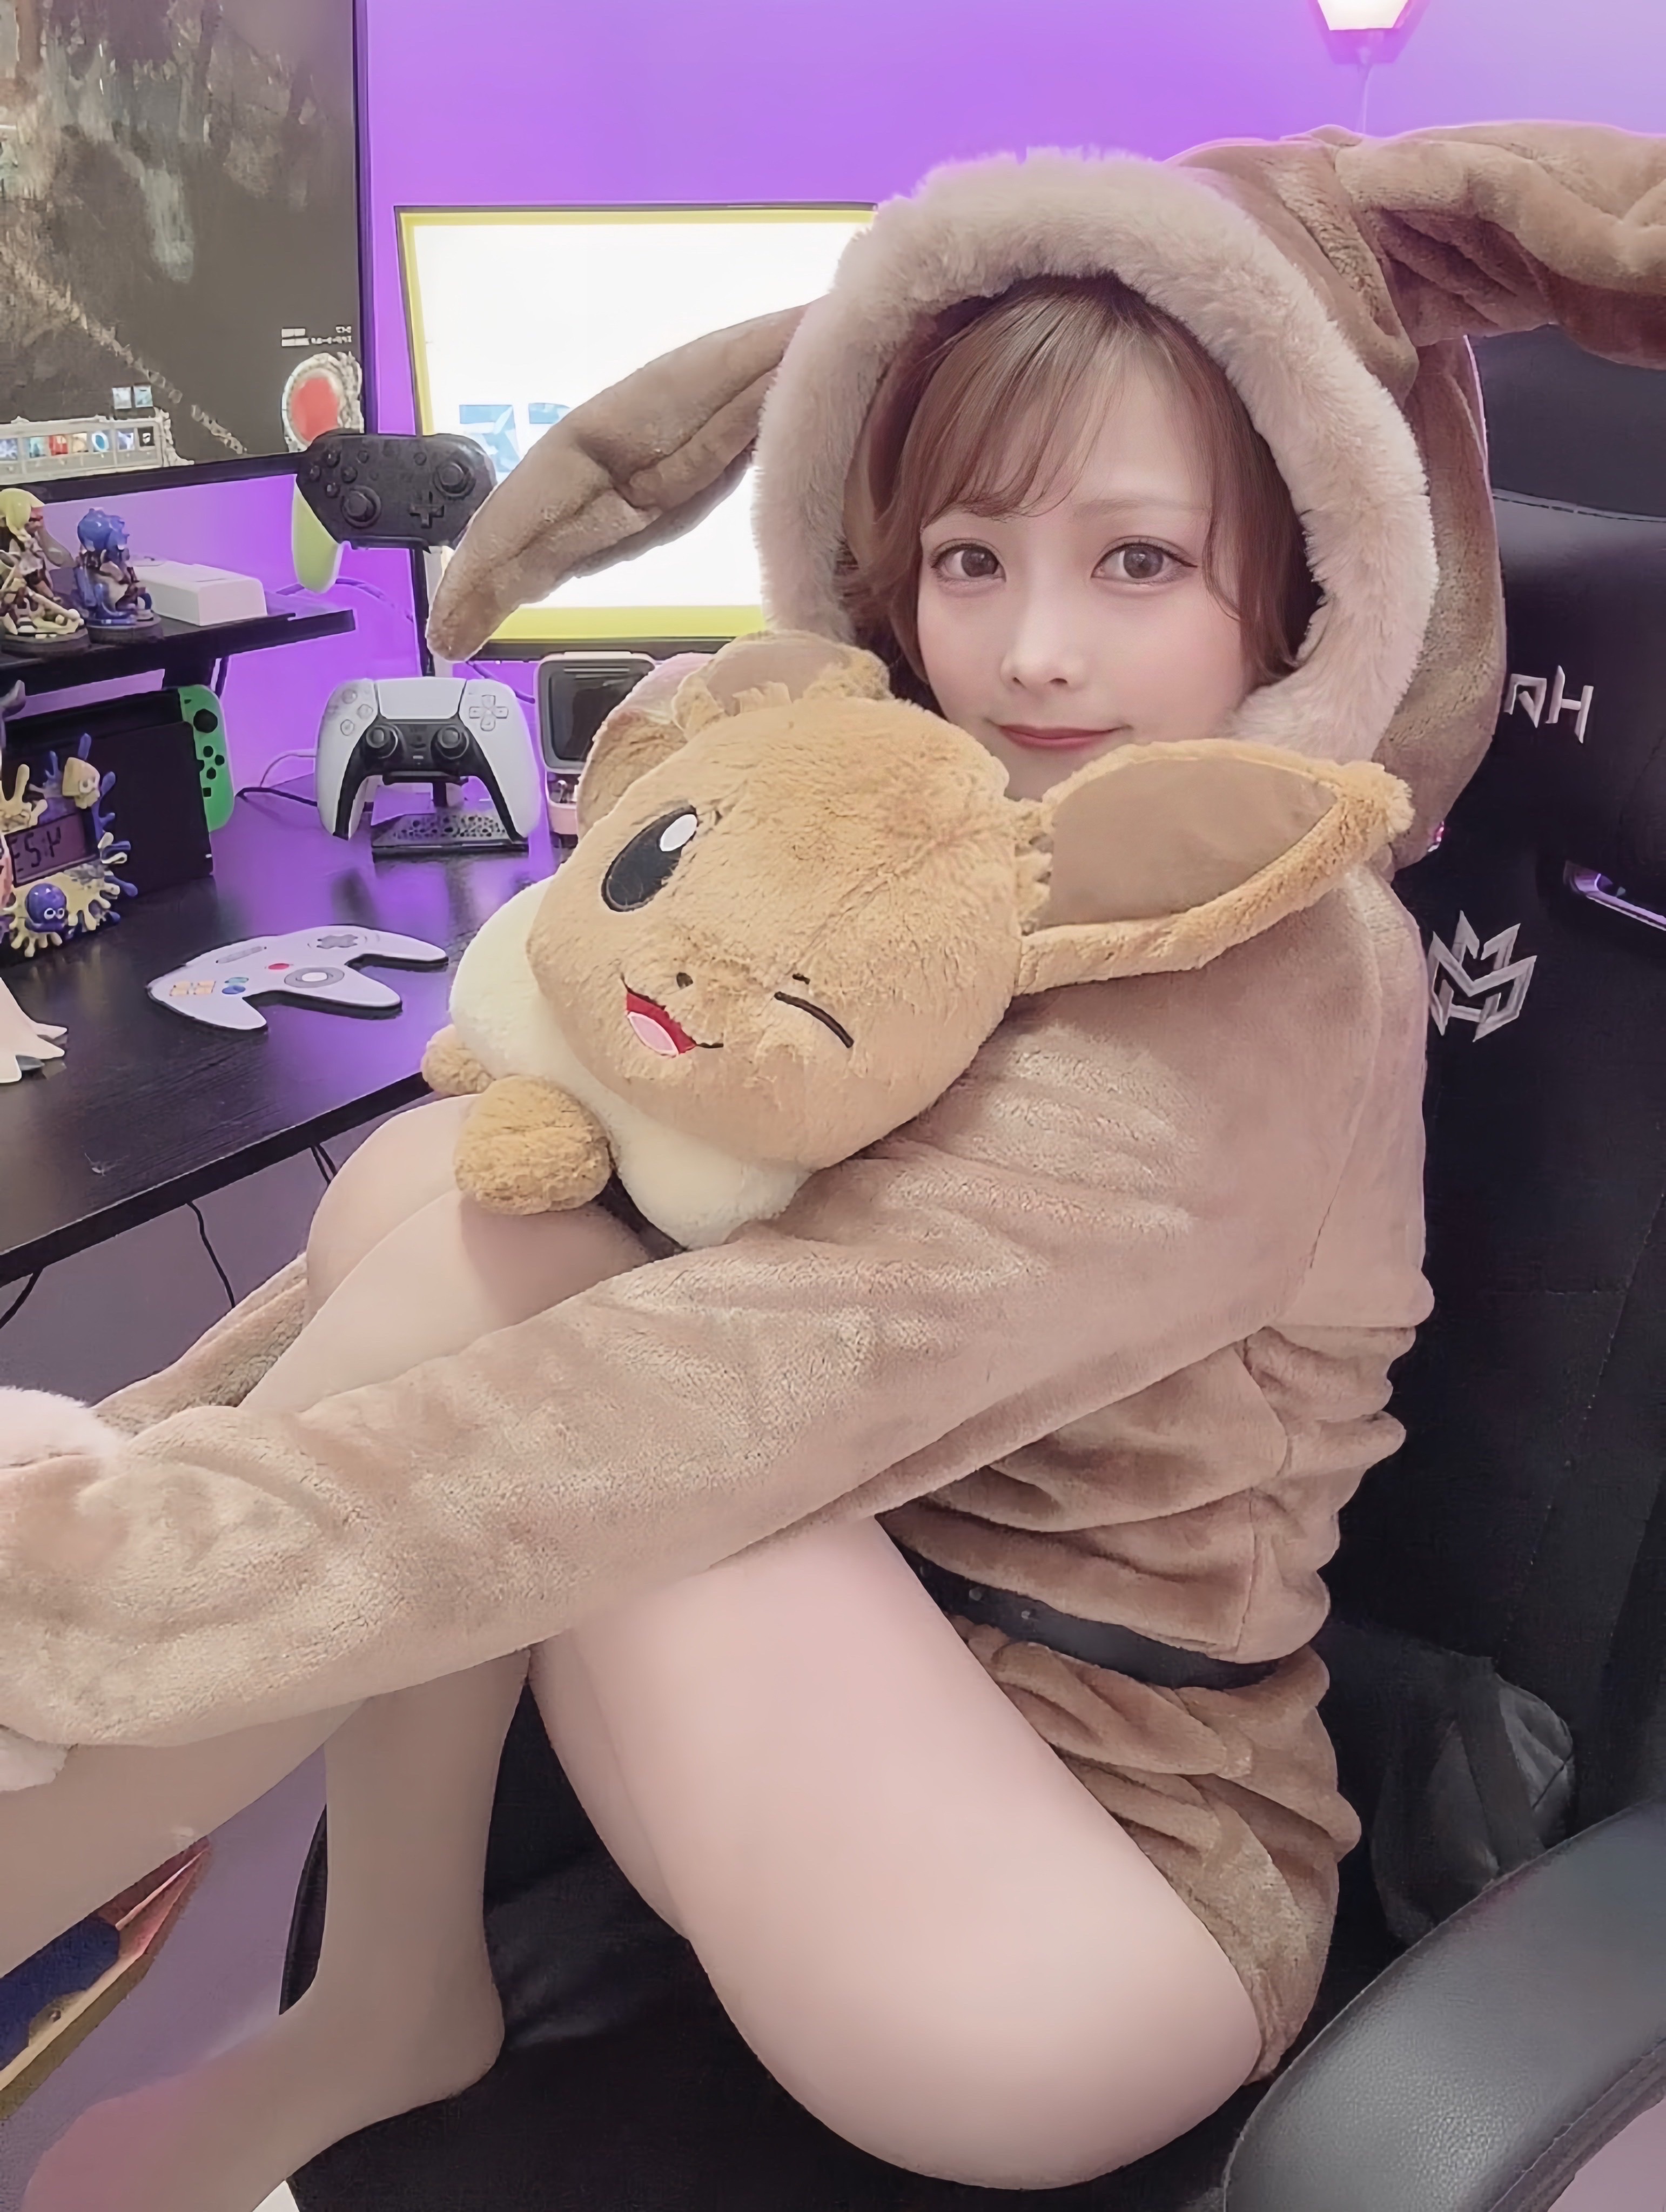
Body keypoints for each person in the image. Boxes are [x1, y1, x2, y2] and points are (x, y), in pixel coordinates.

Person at [2, 125, 1664, 2211]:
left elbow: (774, 1364)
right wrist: (146, 1451)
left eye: (1136, 566)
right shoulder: (940, 862)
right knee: (439, 1194)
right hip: (865, 1670)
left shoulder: (1276, 964)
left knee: (520, 1304)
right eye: (971, 563)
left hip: (1081, 1921)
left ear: (1301, 582)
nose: (1032, 652)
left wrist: (111, 1581)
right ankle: (387, 1997)